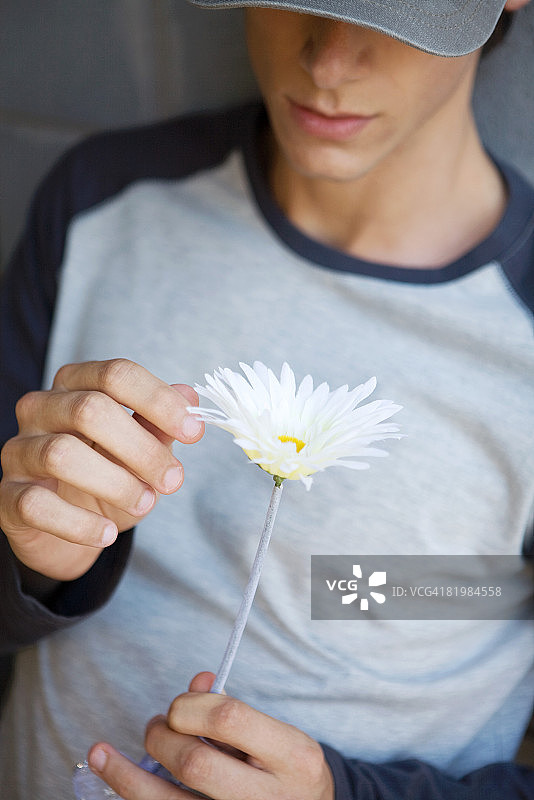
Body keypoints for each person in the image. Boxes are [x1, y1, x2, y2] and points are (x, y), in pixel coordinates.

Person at [1, 1, 533, 798]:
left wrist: (338, 796)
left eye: (397, 9)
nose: (327, 61)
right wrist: (31, 565)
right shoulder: (102, 199)